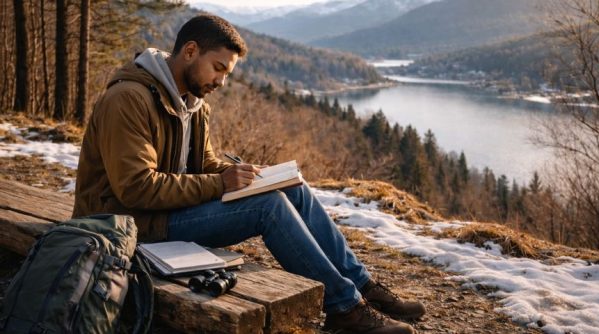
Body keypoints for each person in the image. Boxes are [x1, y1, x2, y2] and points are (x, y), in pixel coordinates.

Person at [73, 14, 425, 334]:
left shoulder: (192, 104)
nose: (222, 82)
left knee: (292, 189)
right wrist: (221, 183)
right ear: (191, 51)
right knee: (267, 207)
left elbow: (204, 165)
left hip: (162, 214)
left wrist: (244, 174)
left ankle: (362, 286)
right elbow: (136, 188)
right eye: (219, 68)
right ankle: (344, 310)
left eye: (227, 73)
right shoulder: (129, 99)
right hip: (123, 226)